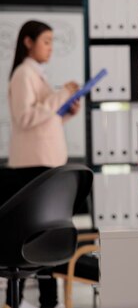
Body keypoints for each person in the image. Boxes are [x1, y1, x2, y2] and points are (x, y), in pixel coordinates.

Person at [2, 20, 80, 308]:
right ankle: (26, 301)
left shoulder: (37, 75)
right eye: (46, 41)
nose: (50, 48)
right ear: (28, 42)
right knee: (32, 239)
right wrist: (61, 94)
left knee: (45, 237)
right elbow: (25, 118)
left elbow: (43, 121)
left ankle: (48, 300)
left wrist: (66, 110)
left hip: (44, 167)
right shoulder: (23, 74)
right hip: (32, 169)